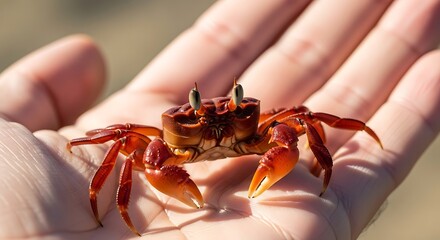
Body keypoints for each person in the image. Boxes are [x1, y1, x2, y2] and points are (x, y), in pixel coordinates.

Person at [0, 1, 439, 239]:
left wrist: (318, 158)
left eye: (232, 111)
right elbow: (127, 147)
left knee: (300, 117)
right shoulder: (159, 144)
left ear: (243, 105)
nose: (217, 130)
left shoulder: (259, 125)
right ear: (180, 116)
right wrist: (99, 186)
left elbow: (302, 121)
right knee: (125, 146)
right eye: (198, 116)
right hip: (177, 155)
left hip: (253, 145)